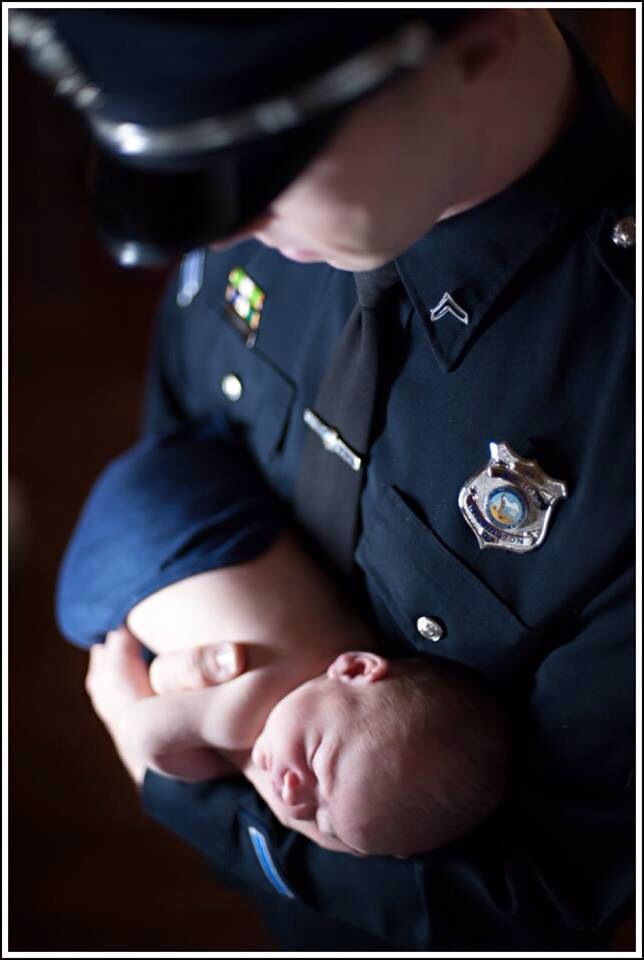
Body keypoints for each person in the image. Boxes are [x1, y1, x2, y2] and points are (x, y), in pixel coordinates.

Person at [12, 7, 634, 950]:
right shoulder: (274, 215)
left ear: (477, 46)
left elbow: (555, 884)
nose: (223, 214)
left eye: (267, 159)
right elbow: (181, 449)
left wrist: (190, 789)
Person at [56, 418, 509, 858]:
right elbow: (139, 731)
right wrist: (227, 766)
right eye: (315, 760)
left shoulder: (351, 669)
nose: (291, 795)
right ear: (356, 668)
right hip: (156, 527)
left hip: (202, 482)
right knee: (81, 620)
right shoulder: (247, 711)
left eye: (323, 824)